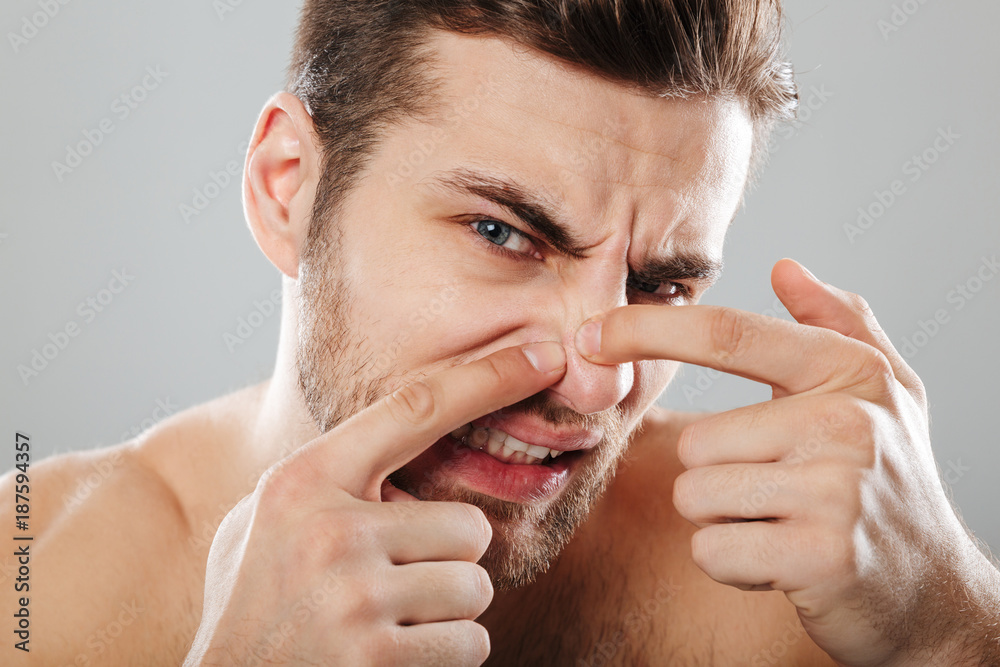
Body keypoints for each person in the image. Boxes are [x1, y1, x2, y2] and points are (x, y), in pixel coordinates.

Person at [6, 1, 998, 664]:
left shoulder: (789, 598)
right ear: (289, 192)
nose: (594, 378)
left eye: (659, 282)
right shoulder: (32, 586)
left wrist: (950, 627)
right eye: (502, 233)